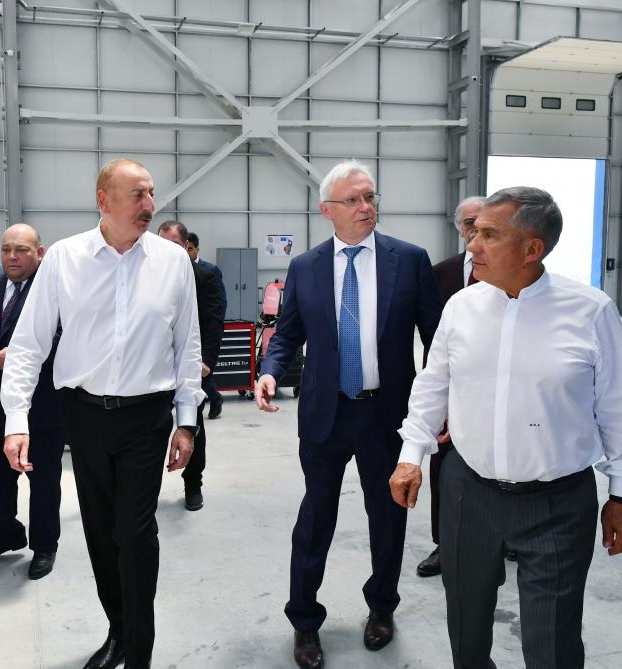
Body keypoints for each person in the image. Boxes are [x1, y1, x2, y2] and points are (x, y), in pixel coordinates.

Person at [391, 187, 622, 669]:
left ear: (532, 249)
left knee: (552, 644)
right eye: (474, 232)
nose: (472, 245)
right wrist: (412, 455)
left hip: (557, 503)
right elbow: (432, 386)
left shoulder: (589, 311)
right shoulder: (461, 307)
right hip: (469, 493)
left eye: (489, 235)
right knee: (467, 628)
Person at [1, 159, 204, 669]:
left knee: (135, 534)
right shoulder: (65, 259)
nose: (149, 205)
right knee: (100, 532)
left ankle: (139, 651)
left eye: (151, 193)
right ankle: (119, 629)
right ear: (103, 199)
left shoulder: (172, 262)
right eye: (137, 195)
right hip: (84, 415)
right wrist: (16, 419)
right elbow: (28, 344)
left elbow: (187, 345)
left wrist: (186, 420)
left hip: (146, 417)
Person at [254, 160, 442, 668]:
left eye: (370, 197)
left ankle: (382, 607)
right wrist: (269, 370)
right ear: (327, 210)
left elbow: (438, 338)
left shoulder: (410, 260)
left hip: (388, 414)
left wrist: (442, 404)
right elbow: (287, 334)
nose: (366, 207)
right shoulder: (306, 267)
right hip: (326, 413)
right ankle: (304, 621)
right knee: (315, 518)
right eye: (353, 200)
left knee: (388, 518)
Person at [0, 223, 64, 579]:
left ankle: (44, 546)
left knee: (43, 481)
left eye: (21, 250)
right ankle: (6, 535)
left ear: (40, 253)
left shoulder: (54, 291)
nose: (12, 257)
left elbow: (66, 336)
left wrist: (22, 354)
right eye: (6, 250)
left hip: (40, 407)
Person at [415, 195, 485, 578]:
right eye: (468, 222)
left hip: (496, 389)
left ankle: (505, 538)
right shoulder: (441, 273)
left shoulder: (510, 271)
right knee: (442, 465)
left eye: (482, 220)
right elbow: (430, 334)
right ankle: (444, 543)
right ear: (459, 228)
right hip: (449, 387)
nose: (475, 228)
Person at [158, 220, 224, 511]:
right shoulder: (148, 276)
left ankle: (193, 483)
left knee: (192, 426)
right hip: (155, 368)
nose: (166, 251)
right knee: (151, 428)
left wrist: (206, 361)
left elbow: (213, 321)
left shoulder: (205, 277)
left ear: (186, 246)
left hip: (192, 365)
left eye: (173, 245)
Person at [186, 231, 226, 419]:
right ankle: (214, 398)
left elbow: (220, 302)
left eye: (190, 249)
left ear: (196, 249)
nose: (187, 252)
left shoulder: (209, 271)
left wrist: (215, 327)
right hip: (185, 331)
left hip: (203, 330)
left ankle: (214, 398)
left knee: (201, 373)